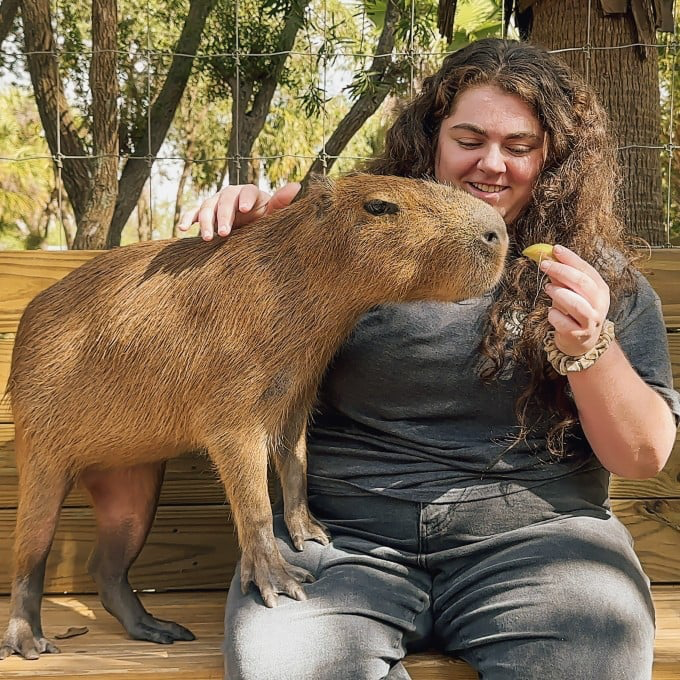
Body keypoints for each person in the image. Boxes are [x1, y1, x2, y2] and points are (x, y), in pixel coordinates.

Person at [179, 38, 679, 680]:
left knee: (587, 661)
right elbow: (213, 356)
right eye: (468, 139)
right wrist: (244, 237)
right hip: (344, 541)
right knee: (282, 665)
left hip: (540, 544)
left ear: (551, 157)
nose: (490, 165)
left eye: (518, 147)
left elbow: (641, 456)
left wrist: (590, 348)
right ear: (432, 138)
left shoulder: (596, 279)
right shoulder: (341, 249)